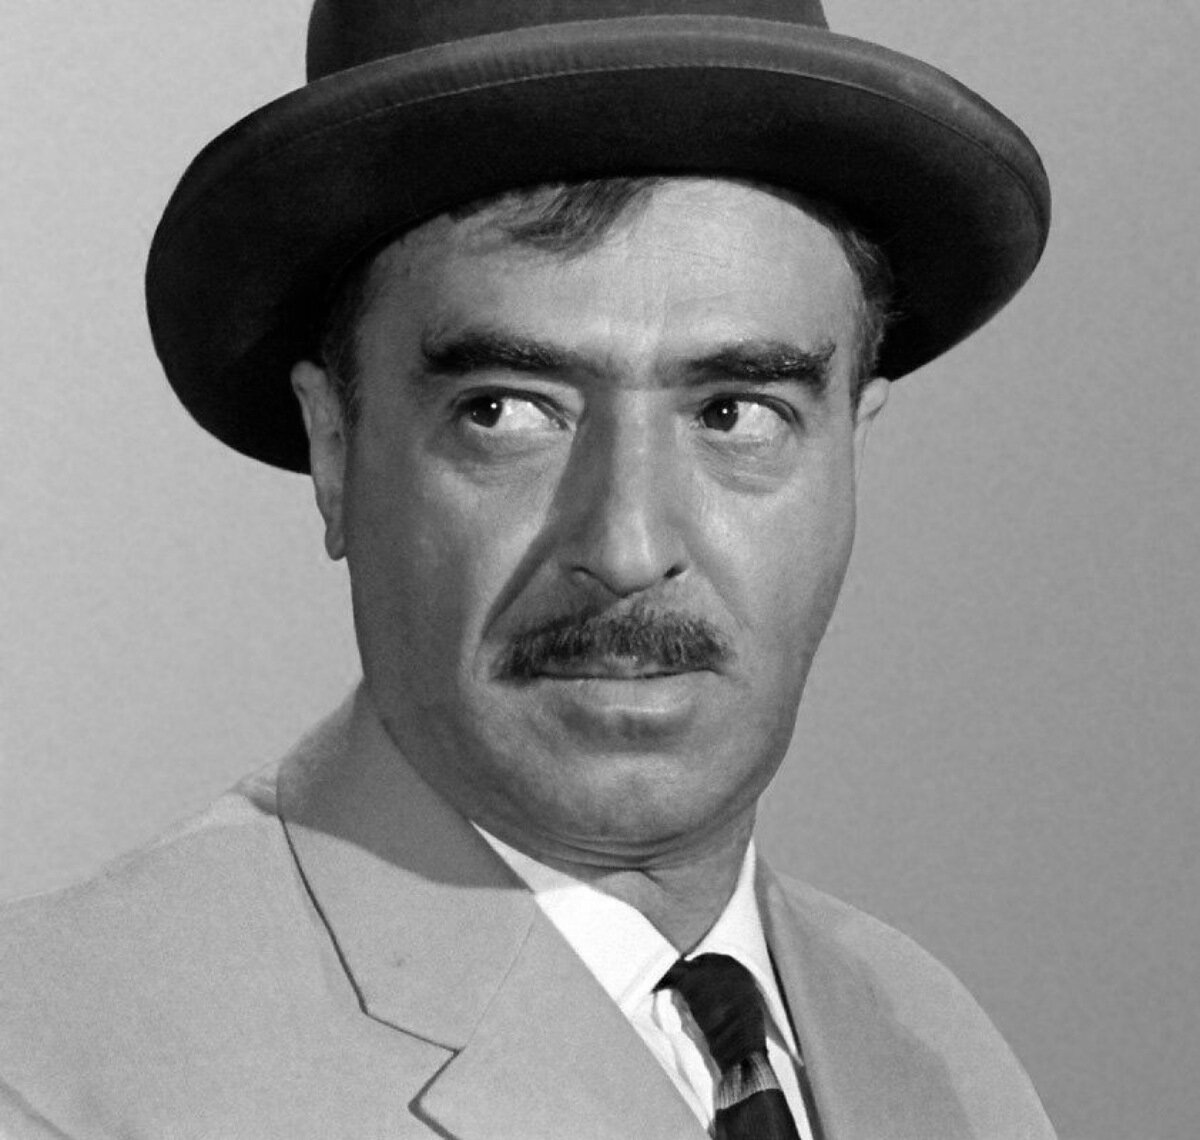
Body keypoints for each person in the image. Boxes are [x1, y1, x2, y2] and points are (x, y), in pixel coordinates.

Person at [0, 2, 1056, 1137]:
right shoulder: (56, 1077)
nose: (629, 548)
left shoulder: (938, 1058)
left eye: (735, 412)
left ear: (853, 445)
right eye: (505, 411)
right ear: (336, 449)